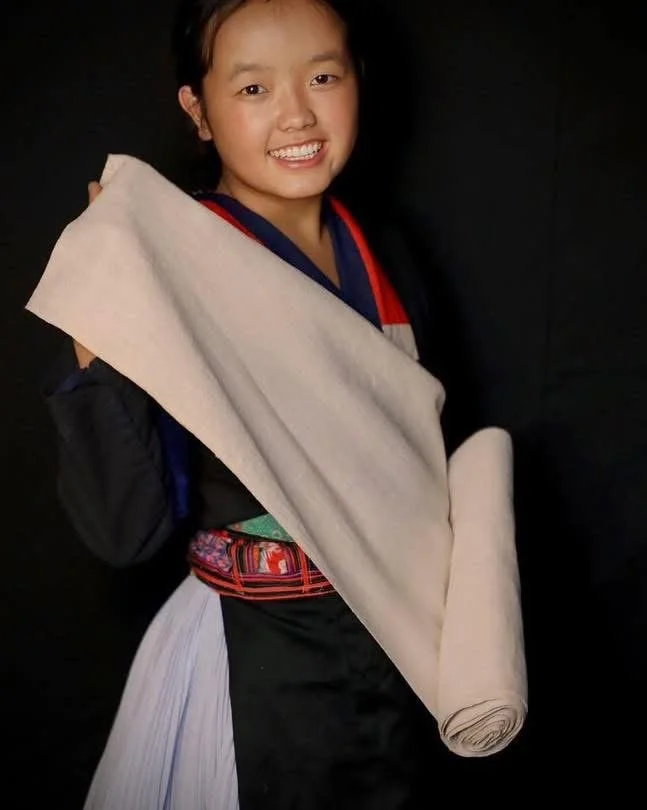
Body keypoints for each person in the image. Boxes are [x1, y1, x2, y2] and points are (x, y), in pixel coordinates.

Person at [45, 0, 452, 806]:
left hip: (403, 639)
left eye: (323, 76)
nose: (297, 114)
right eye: (254, 89)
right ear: (196, 109)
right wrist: (102, 312)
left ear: (356, 82)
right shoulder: (166, 260)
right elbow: (124, 531)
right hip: (254, 658)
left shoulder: (388, 252)